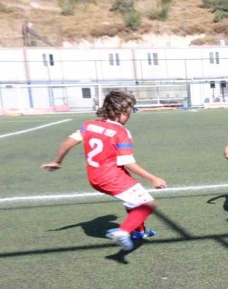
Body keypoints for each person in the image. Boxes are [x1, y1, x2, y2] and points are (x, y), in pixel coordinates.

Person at [41, 90, 167, 251]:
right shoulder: (121, 132)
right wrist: (153, 178)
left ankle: (139, 232)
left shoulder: (89, 125)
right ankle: (124, 232)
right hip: (112, 176)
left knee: (134, 199)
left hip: (95, 177)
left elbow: (67, 143)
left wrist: (57, 161)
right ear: (120, 112)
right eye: (129, 112)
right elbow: (127, 161)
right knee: (147, 204)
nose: (129, 116)